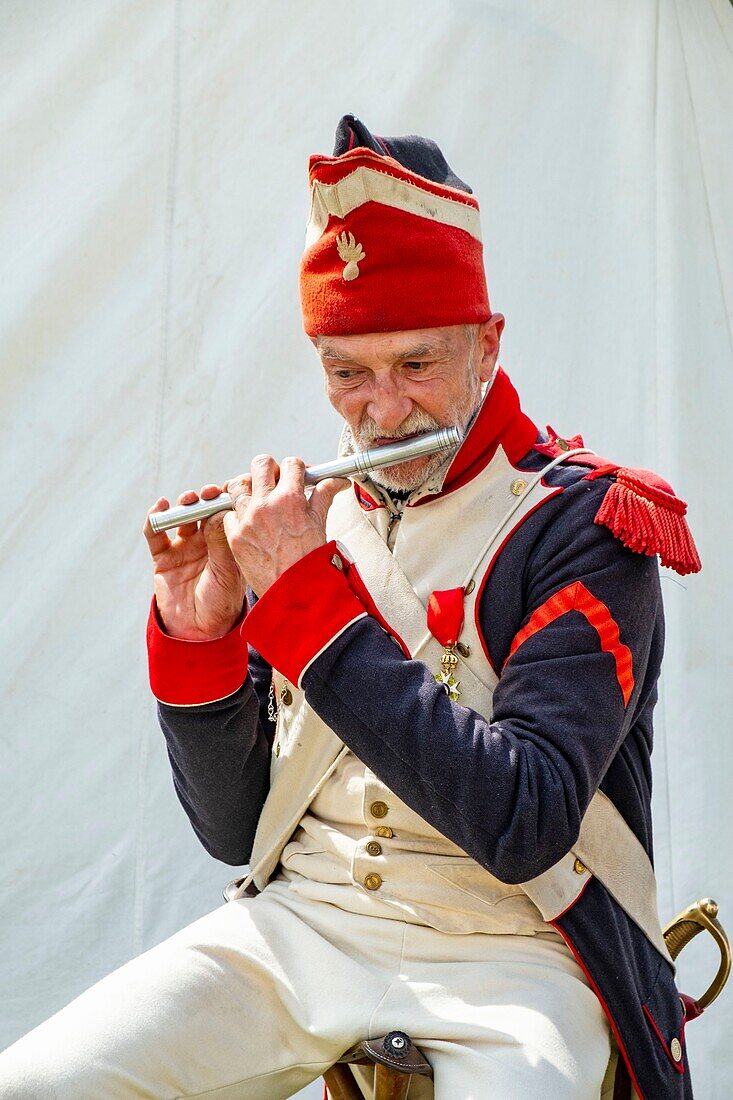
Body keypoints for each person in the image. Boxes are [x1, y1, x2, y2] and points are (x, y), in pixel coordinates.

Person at [0, 115, 701, 1099]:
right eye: (347, 372)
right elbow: (238, 832)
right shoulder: (312, 524)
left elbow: (525, 822)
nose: (380, 411)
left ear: (486, 344)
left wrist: (304, 599)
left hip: (518, 950)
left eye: (416, 364)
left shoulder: (587, 522)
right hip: (306, 923)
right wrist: (200, 638)